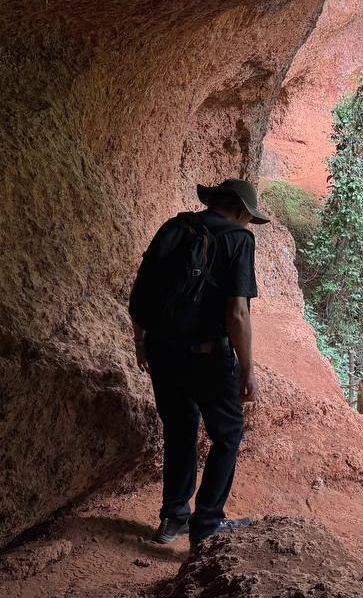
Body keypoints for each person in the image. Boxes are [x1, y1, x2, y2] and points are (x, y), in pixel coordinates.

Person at [128, 178, 266, 548]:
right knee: (228, 434)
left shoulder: (174, 227)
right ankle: (207, 525)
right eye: (248, 217)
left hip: (161, 349)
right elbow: (237, 313)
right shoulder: (238, 240)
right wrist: (247, 369)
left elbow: (142, 288)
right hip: (207, 356)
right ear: (239, 209)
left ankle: (173, 517)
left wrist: (141, 340)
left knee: (180, 429)